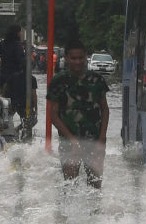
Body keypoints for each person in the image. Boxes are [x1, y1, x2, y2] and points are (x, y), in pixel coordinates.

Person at [47, 38, 110, 185]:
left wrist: (102, 137)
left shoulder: (97, 80)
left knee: (95, 185)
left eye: (81, 58)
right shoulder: (58, 81)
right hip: (69, 142)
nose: (77, 62)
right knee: (70, 185)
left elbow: (105, 109)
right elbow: (53, 115)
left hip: (94, 140)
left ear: (86, 57)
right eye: (73, 58)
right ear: (66, 58)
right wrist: (73, 140)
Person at [0, 26, 32, 121]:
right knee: (17, 101)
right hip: (15, 78)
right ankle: (13, 121)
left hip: (3, 76)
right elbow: (21, 61)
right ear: (17, 33)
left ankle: (3, 119)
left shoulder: (3, 44)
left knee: (5, 99)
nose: (21, 34)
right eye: (20, 32)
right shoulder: (17, 46)